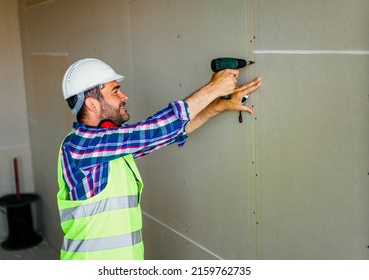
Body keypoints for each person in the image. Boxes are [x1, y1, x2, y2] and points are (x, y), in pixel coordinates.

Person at [57, 58, 261, 260]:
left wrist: (218, 105)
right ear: (92, 104)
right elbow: (155, 131)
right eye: (115, 91)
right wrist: (214, 88)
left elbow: (164, 135)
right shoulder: (81, 145)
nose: (124, 96)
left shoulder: (107, 146)